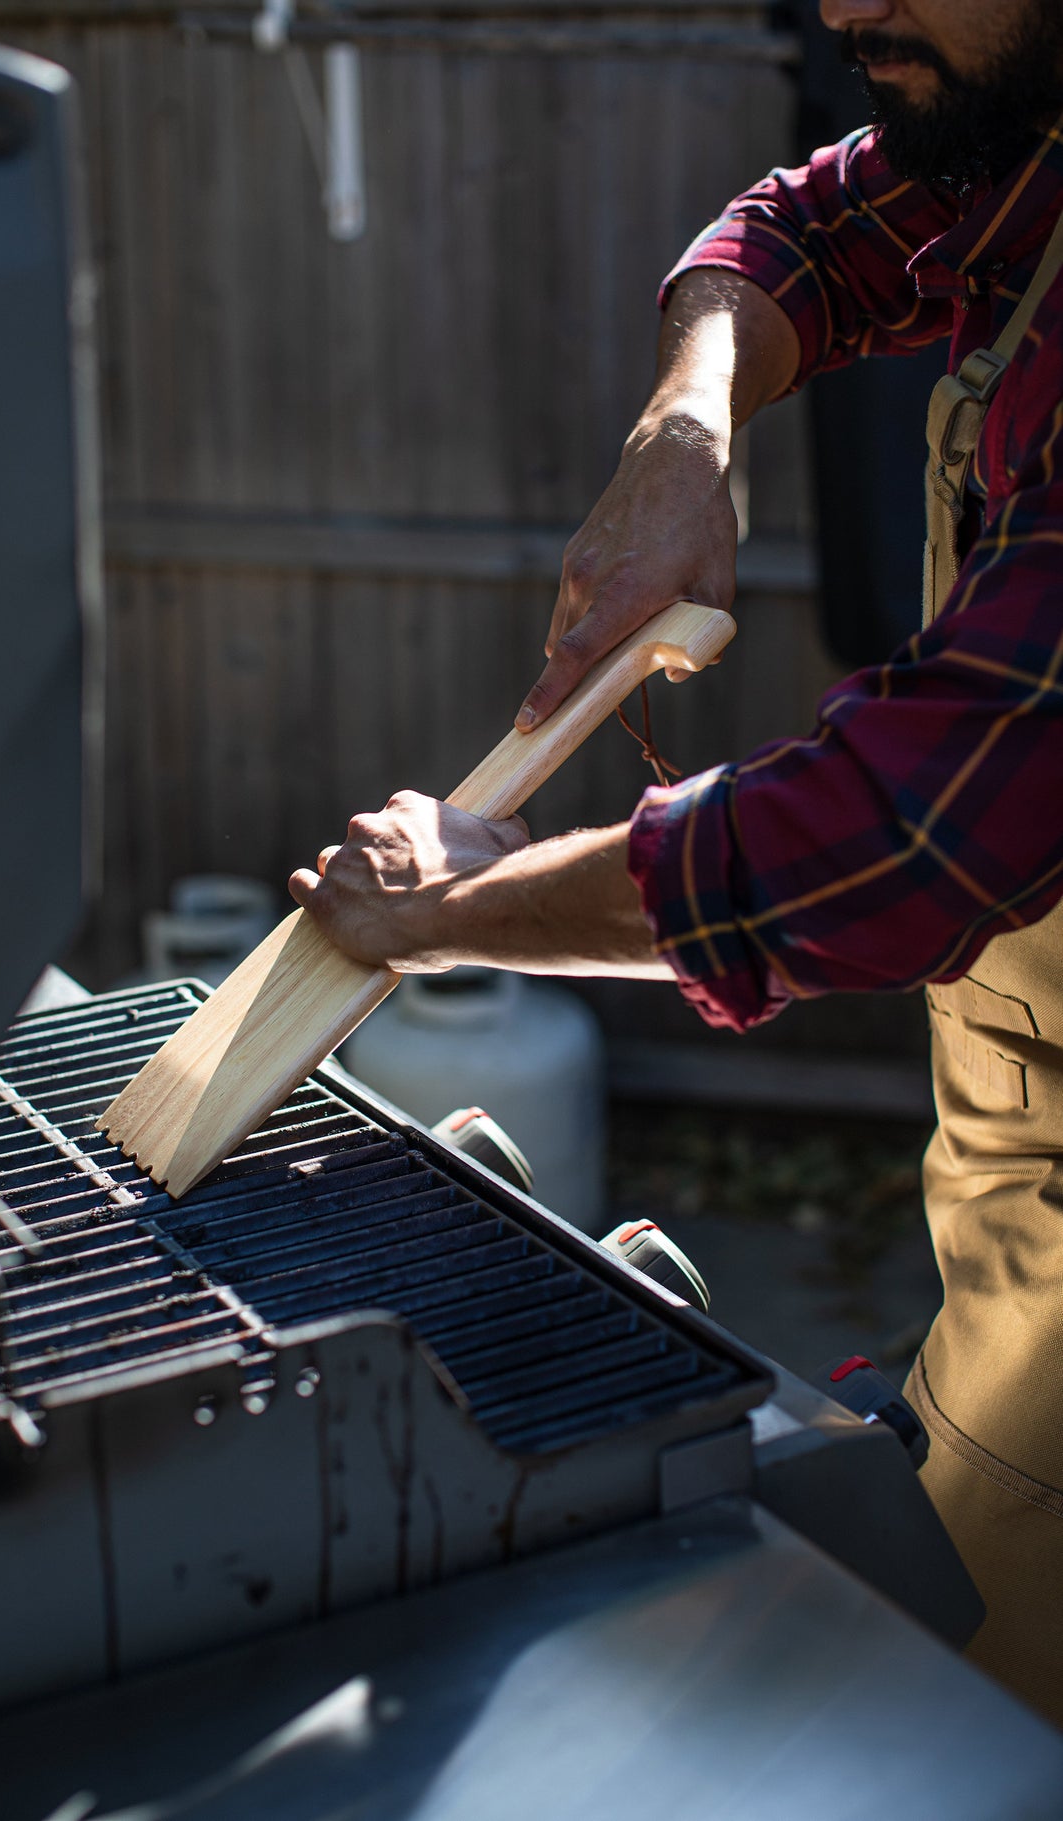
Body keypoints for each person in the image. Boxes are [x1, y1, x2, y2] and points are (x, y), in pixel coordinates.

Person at [289, 0, 1063, 1728]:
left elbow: (889, 841)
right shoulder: (1021, 152)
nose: (844, 9)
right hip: (1016, 1209)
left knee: (977, 1731)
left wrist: (446, 909)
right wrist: (686, 433)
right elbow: (804, 226)